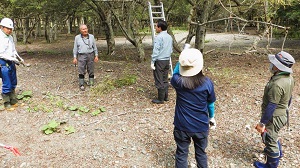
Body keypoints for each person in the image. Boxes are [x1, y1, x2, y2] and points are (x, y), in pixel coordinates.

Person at [171, 48, 216, 168]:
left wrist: (182, 61)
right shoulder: (207, 83)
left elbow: (175, 72)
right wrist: (211, 117)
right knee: (201, 154)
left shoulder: (177, 82)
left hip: (182, 125)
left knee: (181, 154)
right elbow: (210, 104)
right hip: (201, 125)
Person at [254, 51, 295, 168]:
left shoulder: (277, 84)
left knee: (269, 137)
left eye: (273, 63)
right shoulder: (289, 78)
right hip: (282, 113)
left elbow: (271, 106)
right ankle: (278, 153)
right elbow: (290, 96)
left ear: (278, 66)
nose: (271, 64)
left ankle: (271, 165)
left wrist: (262, 123)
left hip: (274, 116)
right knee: (273, 134)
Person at [0, 18, 22, 110]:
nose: (9, 30)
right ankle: (6, 102)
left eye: (11, 29)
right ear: (2, 27)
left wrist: (19, 58)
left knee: (13, 80)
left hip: (11, 61)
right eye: (7, 28)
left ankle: (13, 99)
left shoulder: (10, 37)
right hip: (3, 62)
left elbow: (13, 50)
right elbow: (1, 53)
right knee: (7, 82)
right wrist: (12, 58)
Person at [151, 19, 173, 104]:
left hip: (159, 61)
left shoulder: (159, 37)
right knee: (165, 78)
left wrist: (153, 61)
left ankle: (160, 99)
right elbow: (171, 49)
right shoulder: (169, 37)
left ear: (160, 28)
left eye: (156, 26)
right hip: (166, 60)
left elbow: (156, 51)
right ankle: (165, 97)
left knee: (159, 79)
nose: (155, 28)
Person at [73, 24, 99, 91]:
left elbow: (95, 47)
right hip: (81, 56)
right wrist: (75, 57)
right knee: (81, 69)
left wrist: (96, 55)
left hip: (90, 55)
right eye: (83, 29)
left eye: (86, 28)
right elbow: (75, 48)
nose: (85, 30)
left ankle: (91, 83)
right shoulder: (77, 38)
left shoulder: (91, 37)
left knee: (91, 69)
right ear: (80, 30)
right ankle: (81, 84)